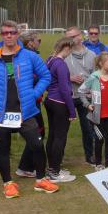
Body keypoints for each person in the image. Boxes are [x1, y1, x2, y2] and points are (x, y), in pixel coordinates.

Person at [0, 20, 56, 198]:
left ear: (17, 34)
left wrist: (34, 94)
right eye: (5, 33)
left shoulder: (29, 56)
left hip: (25, 112)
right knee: (3, 149)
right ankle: (8, 183)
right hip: (0, 113)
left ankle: (41, 180)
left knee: (37, 145)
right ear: (1, 35)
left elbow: (45, 76)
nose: (9, 36)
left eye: (12, 32)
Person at [79, 52, 108, 170]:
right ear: (101, 63)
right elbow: (81, 91)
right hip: (98, 115)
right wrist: (87, 105)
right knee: (99, 139)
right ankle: (98, 164)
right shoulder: (94, 77)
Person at [14, 29, 47, 179]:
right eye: (38, 40)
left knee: (37, 133)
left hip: (31, 100)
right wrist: (35, 91)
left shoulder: (28, 55)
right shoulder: (28, 57)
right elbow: (28, 78)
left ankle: (27, 166)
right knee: (36, 134)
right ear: (30, 43)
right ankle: (26, 167)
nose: (40, 42)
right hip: (29, 102)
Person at [44, 37, 77, 182]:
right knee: (59, 137)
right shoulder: (61, 64)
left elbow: (45, 80)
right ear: (67, 48)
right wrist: (72, 110)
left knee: (52, 135)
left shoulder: (50, 60)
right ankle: (54, 172)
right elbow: (64, 89)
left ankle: (52, 167)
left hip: (50, 100)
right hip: (60, 103)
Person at [64, 26, 96, 166]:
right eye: (68, 37)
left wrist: (89, 85)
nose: (70, 40)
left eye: (73, 36)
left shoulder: (92, 55)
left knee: (88, 128)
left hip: (85, 97)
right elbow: (54, 74)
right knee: (62, 130)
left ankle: (90, 156)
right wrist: (70, 78)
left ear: (80, 36)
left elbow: (96, 76)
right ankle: (57, 159)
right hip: (68, 96)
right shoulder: (63, 54)